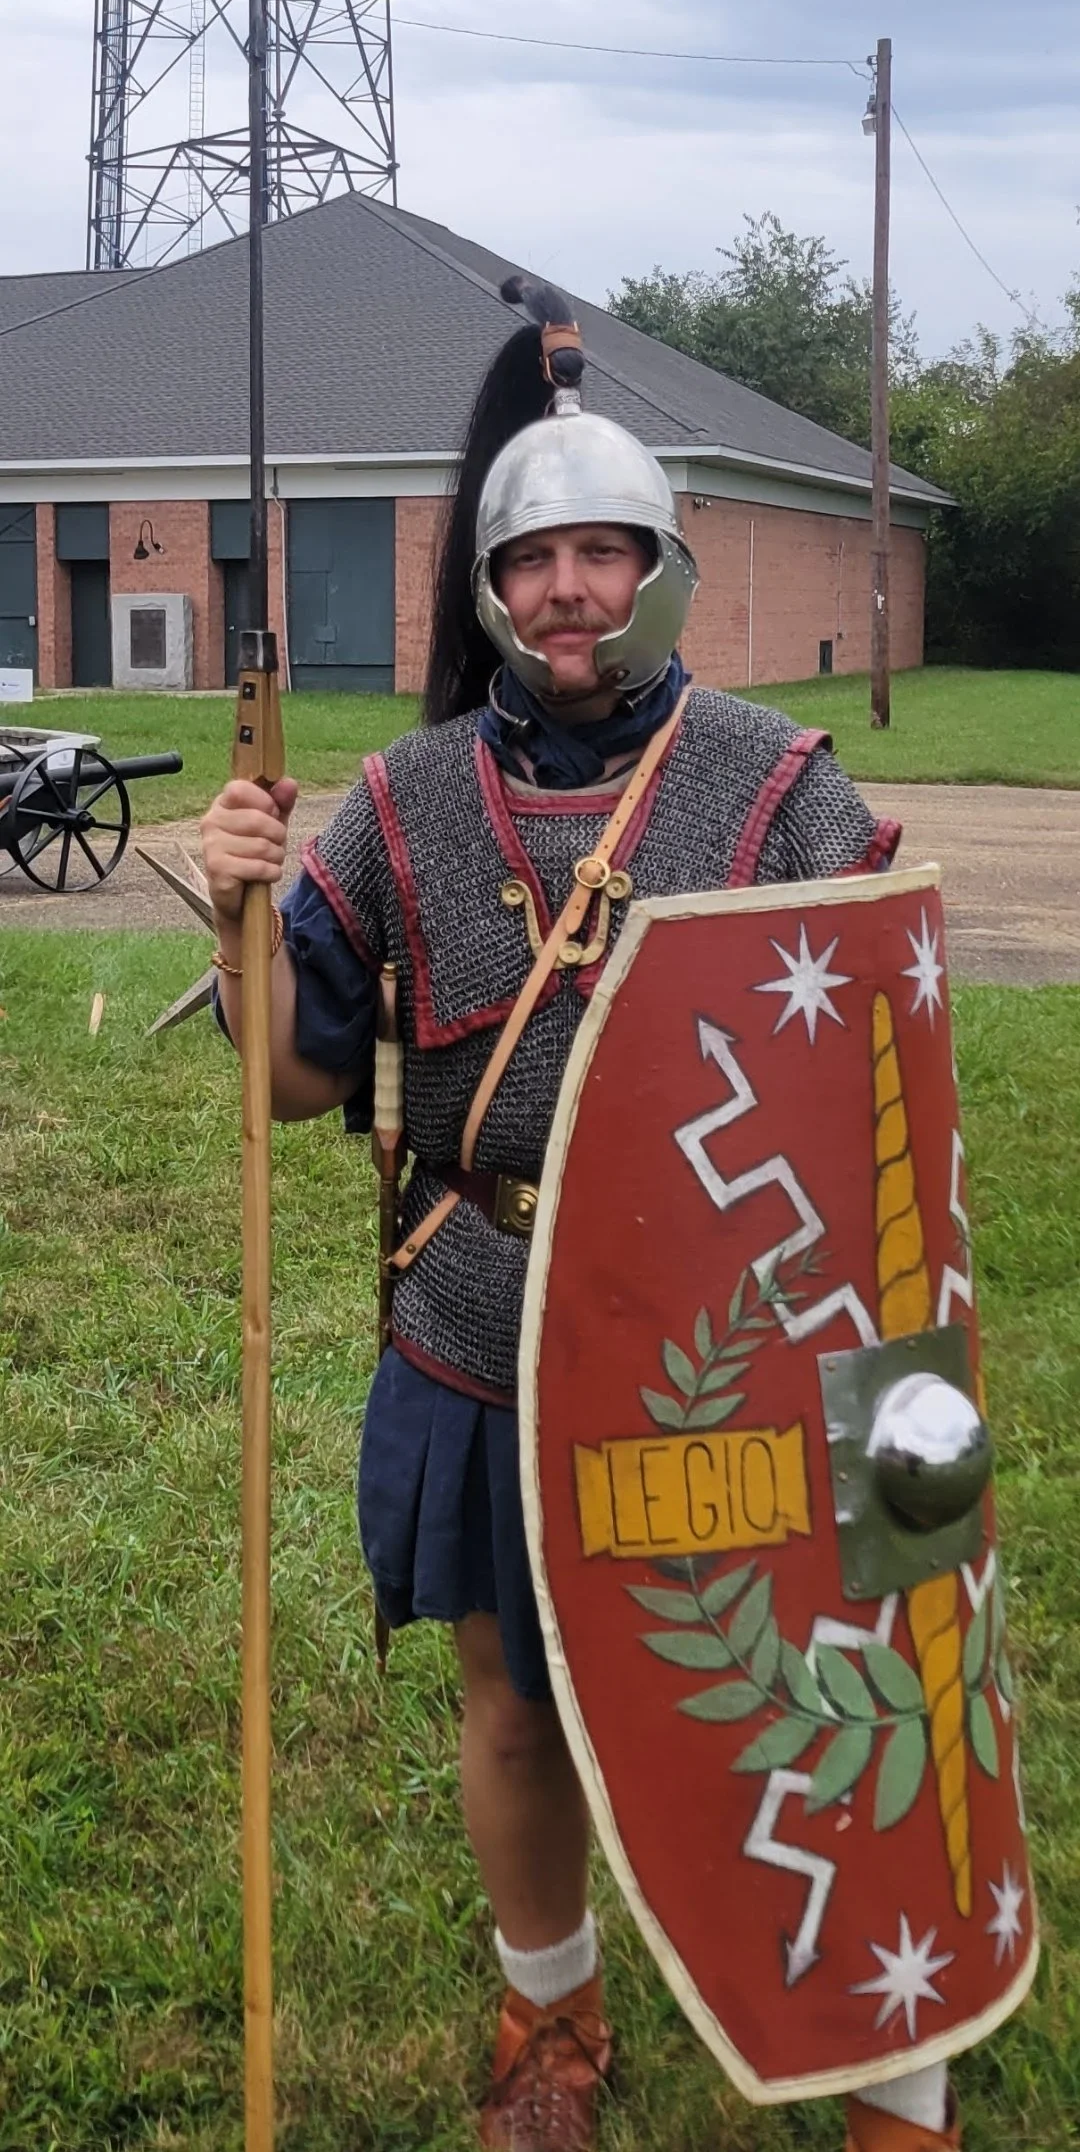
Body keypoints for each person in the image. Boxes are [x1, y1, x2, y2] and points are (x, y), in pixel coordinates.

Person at [200, 281, 960, 2152]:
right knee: (517, 1704)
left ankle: (892, 2052)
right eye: (533, 557)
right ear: (491, 584)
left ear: (661, 569)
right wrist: (240, 915)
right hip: (481, 1309)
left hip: (738, 1338)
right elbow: (295, 1082)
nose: (567, 589)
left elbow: (877, 1032)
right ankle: (556, 2023)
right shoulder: (401, 805)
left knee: (813, 1671)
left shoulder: (772, 787)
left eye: (602, 551)